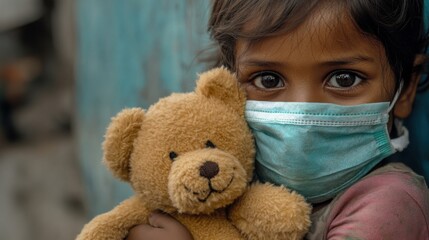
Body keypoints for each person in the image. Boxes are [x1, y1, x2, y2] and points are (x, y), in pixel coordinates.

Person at [126, 0, 429, 239]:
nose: (303, 113)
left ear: (405, 90)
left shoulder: (391, 204)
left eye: (344, 79)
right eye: (269, 80)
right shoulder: (225, 181)